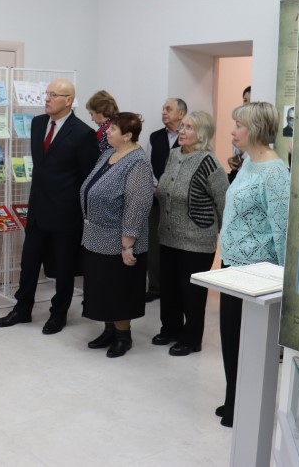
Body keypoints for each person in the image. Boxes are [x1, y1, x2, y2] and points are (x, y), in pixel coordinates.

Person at [0, 79, 98, 333]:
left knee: (63, 267)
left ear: (69, 100)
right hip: (38, 210)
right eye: (46, 93)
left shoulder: (83, 133)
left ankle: (58, 314)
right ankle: (22, 309)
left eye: (53, 94)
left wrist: (82, 214)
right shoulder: (38, 123)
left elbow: (88, 178)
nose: (47, 98)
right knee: (29, 263)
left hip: (66, 214)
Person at [218, 102, 290, 427]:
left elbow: (282, 229)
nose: (233, 131)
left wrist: (281, 282)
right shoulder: (249, 162)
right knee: (231, 339)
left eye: (239, 125)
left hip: (256, 274)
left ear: (256, 129)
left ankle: (244, 407)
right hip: (232, 268)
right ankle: (233, 398)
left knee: (249, 345)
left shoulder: (275, 173)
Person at [154, 111, 228, 355]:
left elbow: (223, 201)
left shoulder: (209, 162)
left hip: (197, 240)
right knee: (169, 288)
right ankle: (170, 329)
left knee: (192, 294)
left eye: (189, 128)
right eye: (182, 126)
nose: (182, 131)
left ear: (202, 134)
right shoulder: (174, 154)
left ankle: (192, 339)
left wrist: (225, 237)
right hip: (168, 236)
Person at [80, 112, 153, 357]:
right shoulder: (108, 154)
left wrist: (127, 243)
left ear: (128, 136)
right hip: (96, 236)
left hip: (119, 240)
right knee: (103, 289)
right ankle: (109, 330)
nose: (107, 132)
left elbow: (138, 204)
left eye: (112, 129)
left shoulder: (138, 162)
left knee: (119, 290)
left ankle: (123, 336)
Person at [144, 97, 187, 304]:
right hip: (156, 199)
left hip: (179, 202)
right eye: (163, 108)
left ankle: (174, 287)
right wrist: (156, 187)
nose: (163, 112)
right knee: (154, 243)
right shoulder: (155, 137)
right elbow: (148, 164)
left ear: (181, 113)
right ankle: (155, 287)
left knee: (176, 244)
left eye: (168, 109)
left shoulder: (188, 137)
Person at [227, 86, 251, 182]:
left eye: (251, 100)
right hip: (239, 175)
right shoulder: (240, 121)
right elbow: (238, 155)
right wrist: (234, 159)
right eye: (245, 100)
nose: (247, 104)